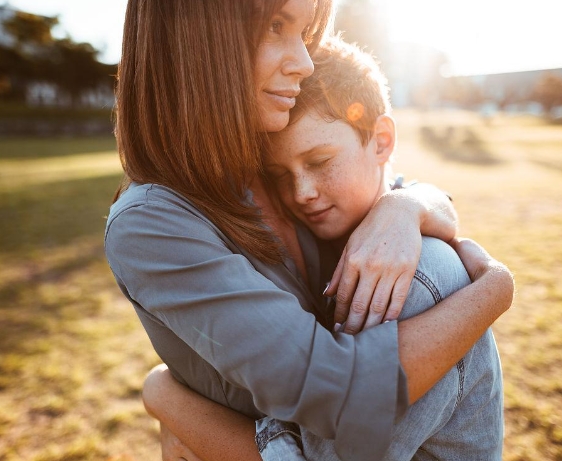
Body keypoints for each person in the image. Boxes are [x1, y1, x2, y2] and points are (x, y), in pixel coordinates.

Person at [105, 1, 514, 460]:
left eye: (304, 32)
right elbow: (334, 389)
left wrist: (168, 400)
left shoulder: (279, 173)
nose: (301, 61)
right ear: (198, 38)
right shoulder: (155, 223)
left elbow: (393, 183)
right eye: (276, 26)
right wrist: (493, 289)